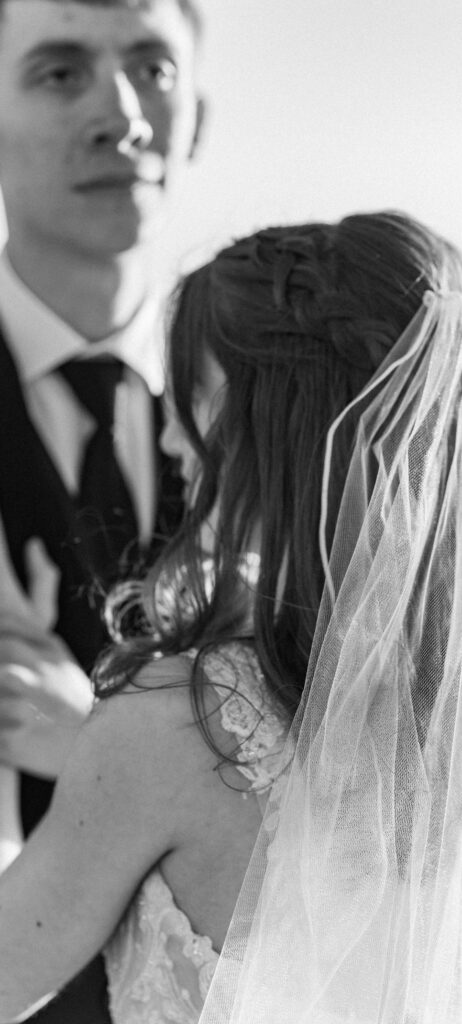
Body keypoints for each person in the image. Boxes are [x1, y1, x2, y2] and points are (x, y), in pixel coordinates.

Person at [2, 211, 462, 1024]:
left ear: (264, 427)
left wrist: (95, 753)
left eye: (194, 396)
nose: (172, 435)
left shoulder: (166, 731)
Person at [0, 0, 203, 1020]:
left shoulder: (280, 428)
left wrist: (105, 750)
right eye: (59, 72)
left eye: (153, 69)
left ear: (200, 120)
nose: (120, 115)